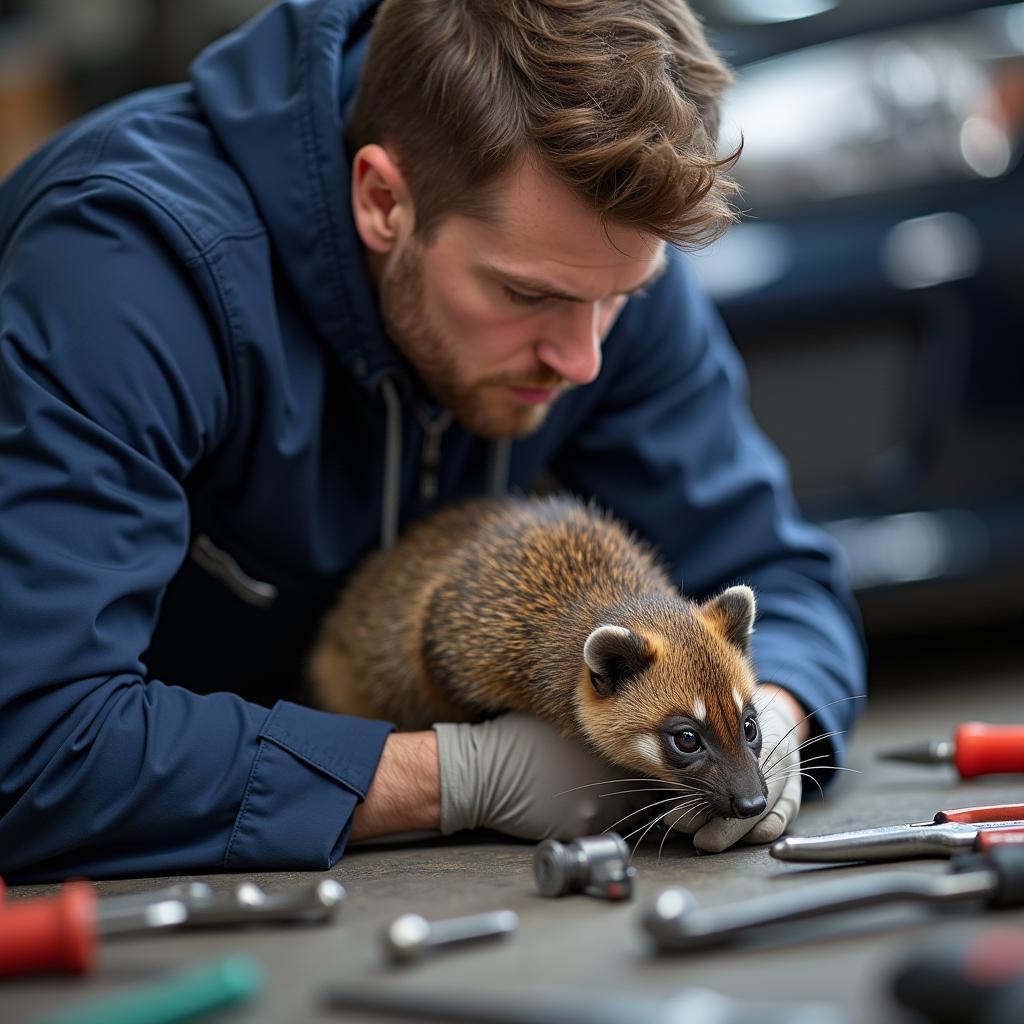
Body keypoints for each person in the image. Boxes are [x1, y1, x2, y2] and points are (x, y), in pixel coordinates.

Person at [0, 0, 865, 883]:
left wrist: (766, 726)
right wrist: (454, 778)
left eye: (623, 299)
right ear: (384, 200)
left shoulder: (593, 254)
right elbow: (32, 746)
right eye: (526, 297)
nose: (584, 358)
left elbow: (785, 582)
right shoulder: (123, 268)